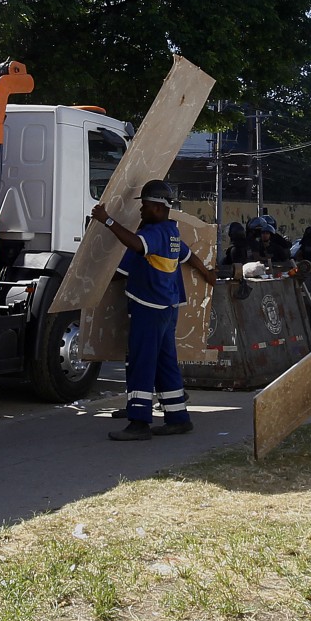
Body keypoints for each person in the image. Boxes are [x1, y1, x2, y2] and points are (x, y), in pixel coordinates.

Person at [92, 179, 217, 441]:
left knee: (142, 363)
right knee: (165, 363)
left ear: (158, 209)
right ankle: (178, 417)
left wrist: (107, 221)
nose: (140, 211)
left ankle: (138, 422)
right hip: (167, 307)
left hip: (149, 306)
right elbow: (188, 256)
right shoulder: (171, 233)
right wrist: (207, 273)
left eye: (145, 207)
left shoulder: (155, 233)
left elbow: (136, 245)